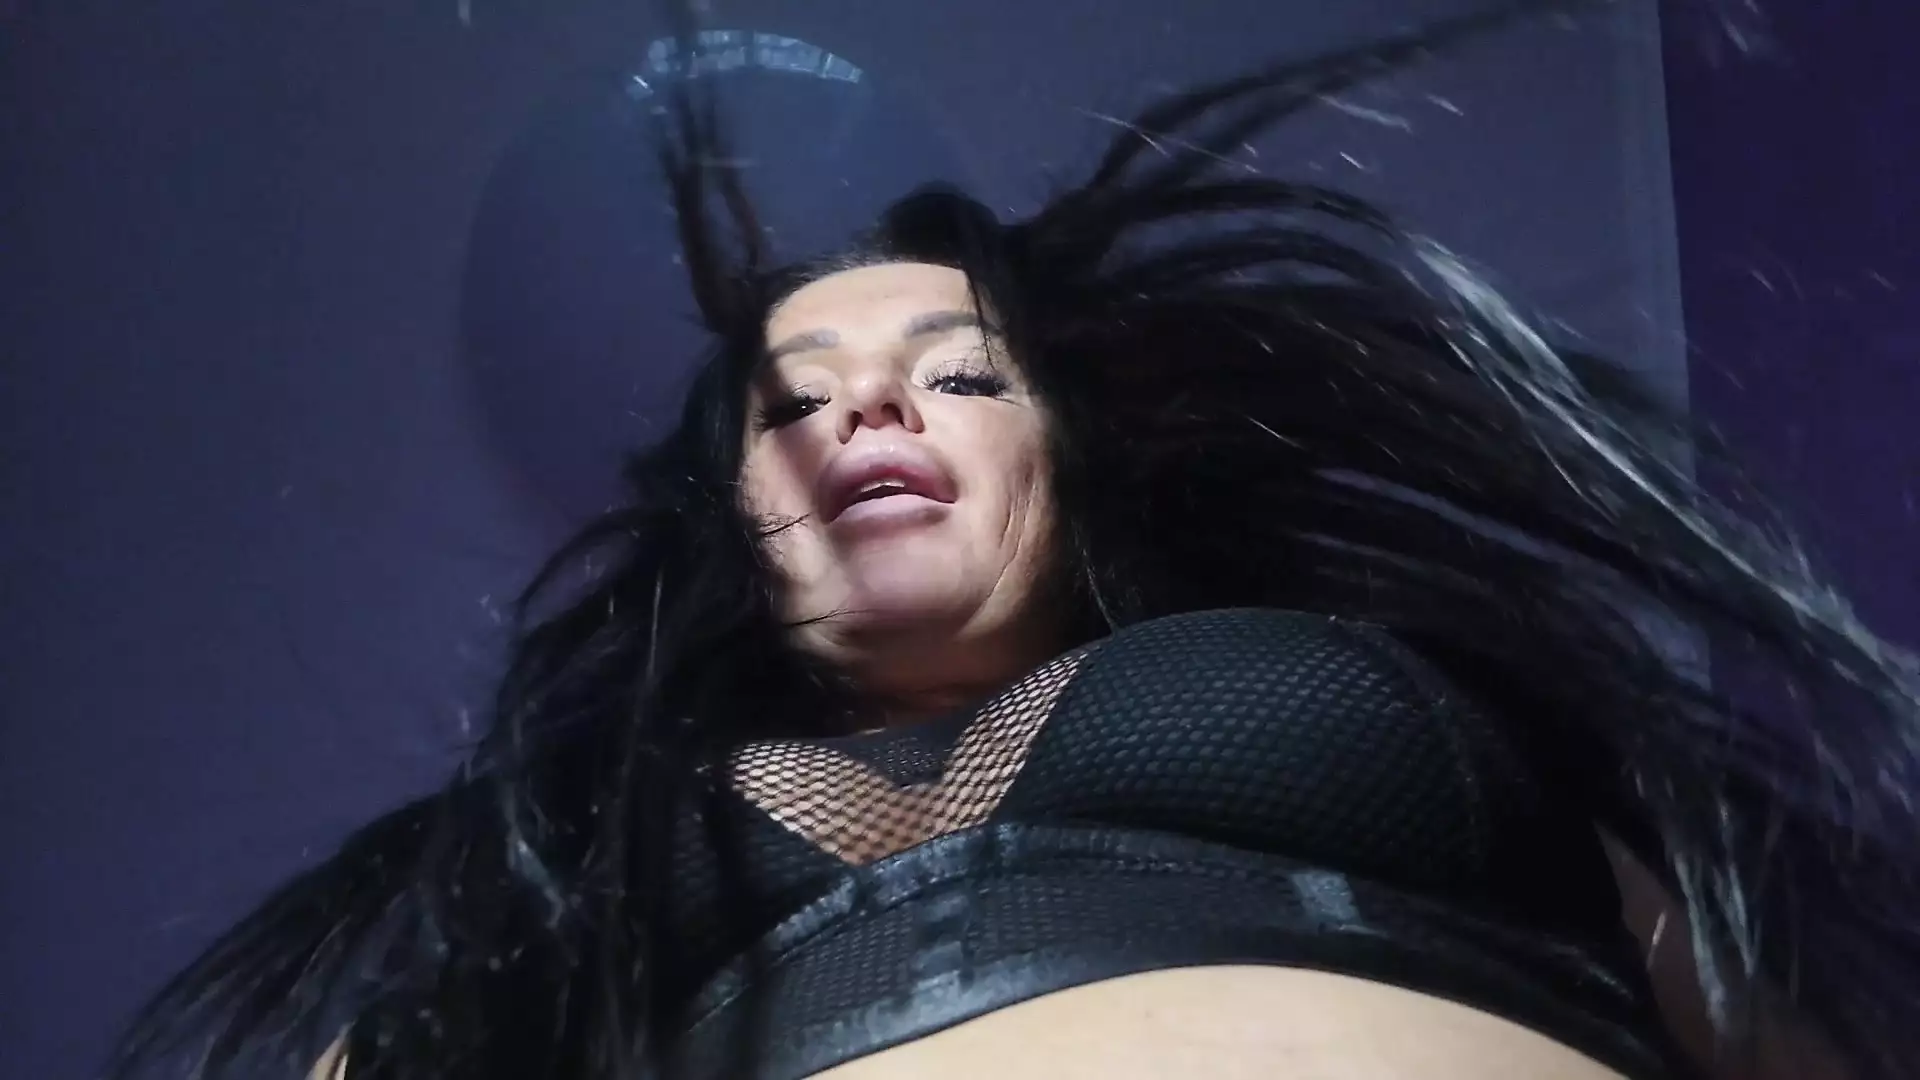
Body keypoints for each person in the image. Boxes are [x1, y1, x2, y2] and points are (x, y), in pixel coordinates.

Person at [111, 5, 1920, 1080]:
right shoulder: (584, 837)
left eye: (959, 371)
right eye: (790, 400)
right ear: (732, 519)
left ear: (1074, 446)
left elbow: (1760, 1034)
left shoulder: (1395, 702)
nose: (864, 411)